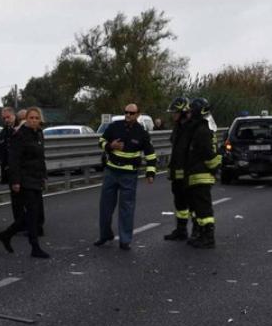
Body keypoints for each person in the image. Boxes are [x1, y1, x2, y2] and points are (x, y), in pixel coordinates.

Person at [94, 103, 156, 250]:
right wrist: (110, 146)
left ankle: (125, 240)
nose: (128, 115)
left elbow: (151, 154)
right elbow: (101, 141)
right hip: (111, 172)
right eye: (126, 112)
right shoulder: (115, 126)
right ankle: (105, 235)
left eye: (132, 113)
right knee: (105, 207)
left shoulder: (141, 133)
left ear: (138, 115)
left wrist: (150, 172)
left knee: (126, 208)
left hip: (129, 175)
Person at [0, 107, 50, 259]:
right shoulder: (19, 135)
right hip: (24, 178)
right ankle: (35, 247)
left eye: (36, 118)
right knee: (32, 213)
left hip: (36, 177)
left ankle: (6, 234)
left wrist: (44, 176)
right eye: (31, 118)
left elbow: (41, 157)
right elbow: (14, 159)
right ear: (26, 119)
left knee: (33, 213)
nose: (33, 120)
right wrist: (15, 181)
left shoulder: (39, 134)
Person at [185, 98, 221, 249]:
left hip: (201, 175)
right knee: (198, 208)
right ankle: (201, 234)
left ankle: (208, 238)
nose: (189, 113)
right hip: (198, 174)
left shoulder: (202, 130)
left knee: (204, 209)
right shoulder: (202, 128)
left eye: (191, 110)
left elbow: (207, 153)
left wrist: (213, 168)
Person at [163, 97, 197, 241]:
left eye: (175, 112)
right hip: (177, 172)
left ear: (183, 112)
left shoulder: (192, 128)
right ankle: (181, 230)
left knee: (193, 203)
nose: (173, 115)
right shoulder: (178, 127)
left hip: (189, 172)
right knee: (180, 202)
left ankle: (197, 231)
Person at [0, 107, 16, 184]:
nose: (6, 120)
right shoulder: (3, 132)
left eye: (8, 117)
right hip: (8, 170)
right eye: (4, 118)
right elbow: (2, 152)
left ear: (13, 116)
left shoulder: (21, 129)